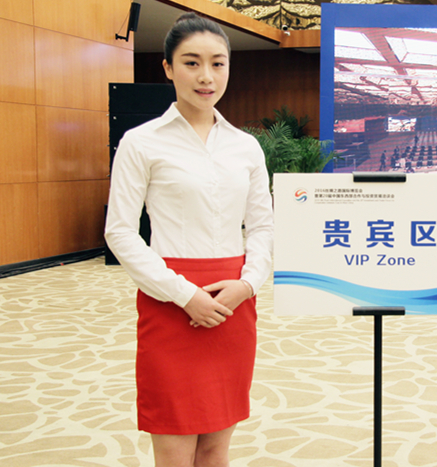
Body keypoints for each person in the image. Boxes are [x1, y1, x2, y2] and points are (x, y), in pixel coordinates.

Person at [105, 13, 273, 467]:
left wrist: (248, 284)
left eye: (218, 64)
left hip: (233, 301)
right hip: (170, 300)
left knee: (217, 447)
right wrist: (185, 295)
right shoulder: (141, 142)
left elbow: (262, 226)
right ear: (168, 67)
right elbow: (119, 231)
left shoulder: (245, 146)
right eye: (191, 63)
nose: (206, 76)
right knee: (175, 449)